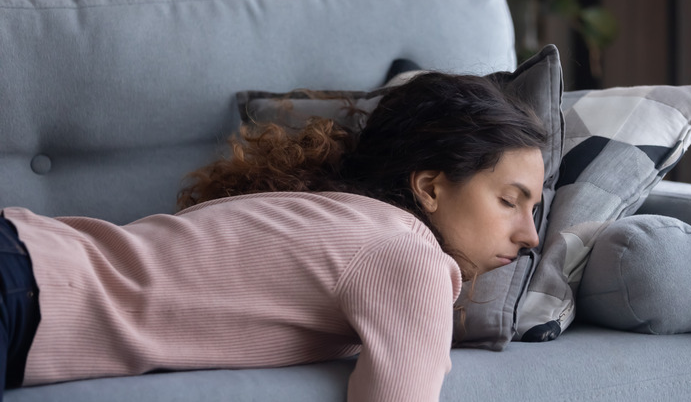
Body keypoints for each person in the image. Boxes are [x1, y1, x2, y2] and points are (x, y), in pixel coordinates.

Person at [0, 72, 547, 401]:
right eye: (508, 200)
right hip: (23, 287)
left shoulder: (338, 216)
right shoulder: (406, 256)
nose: (531, 237)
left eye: (534, 209)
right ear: (430, 187)